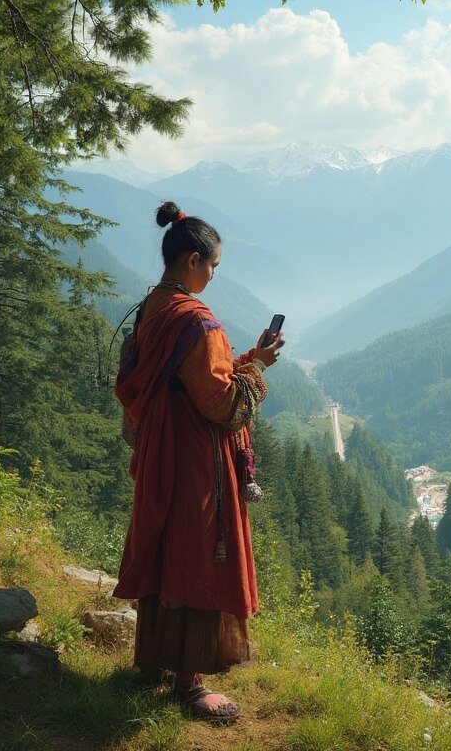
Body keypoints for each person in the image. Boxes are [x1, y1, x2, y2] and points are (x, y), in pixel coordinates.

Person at [113, 201, 284, 723]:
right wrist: (257, 375)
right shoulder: (199, 321)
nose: (213, 274)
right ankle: (190, 681)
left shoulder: (154, 309)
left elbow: (187, 378)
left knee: (168, 544)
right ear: (192, 260)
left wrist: (248, 358)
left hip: (161, 449)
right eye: (211, 265)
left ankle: (162, 658)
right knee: (199, 549)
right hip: (194, 459)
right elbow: (221, 404)